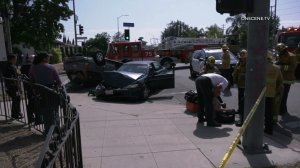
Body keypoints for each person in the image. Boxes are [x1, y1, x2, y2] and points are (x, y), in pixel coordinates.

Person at [29, 52, 62, 134]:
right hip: (51, 91)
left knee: (45, 112)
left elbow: (31, 80)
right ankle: (56, 130)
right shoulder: (51, 67)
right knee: (54, 111)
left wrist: (35, 90)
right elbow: (59, 81)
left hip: (40, 92)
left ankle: (48, 131)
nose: (49, 59)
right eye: (48, 57)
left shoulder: (33, 68)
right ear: (44, 58)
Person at [275, 43, 297, 116]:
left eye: (280, 50)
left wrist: (282, 67)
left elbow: (293, 67)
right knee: (278, 94)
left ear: (284, 49)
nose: (279, 52)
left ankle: (283, 110)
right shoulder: (280, 55)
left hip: (287, 79)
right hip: (279, 78)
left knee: (284, 95)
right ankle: (279, 109)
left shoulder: (291, 56)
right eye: (278, 51)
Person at [265, 51, 283, 135]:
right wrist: (276, 92)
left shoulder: (260, 67)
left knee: (259, 112)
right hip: (271, 93)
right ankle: (269, 129)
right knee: (269, 112)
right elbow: (280, 82)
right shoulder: (277, 68)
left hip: (260, 94)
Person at [2, 54, 23, 119]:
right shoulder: (12, 67)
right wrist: (19, 88)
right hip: (13, 87)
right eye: (15, 59)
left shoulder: (5, 66)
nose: (16, 60)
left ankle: (16, 114)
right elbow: (15, 78)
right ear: (12, 59)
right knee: (16, 100)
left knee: (15, 100)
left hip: (8, 86)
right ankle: (15, 114)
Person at [232, 49, 247, 126]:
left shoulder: (249, 63)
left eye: (243, 56)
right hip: (240, 84)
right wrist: (234, 81)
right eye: (241, 56)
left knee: (244, 99)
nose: (242, 58)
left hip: (246, 84)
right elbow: (235, 72)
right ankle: (240, 109)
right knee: (240, 97)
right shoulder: (239, 63)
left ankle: (244, 111)